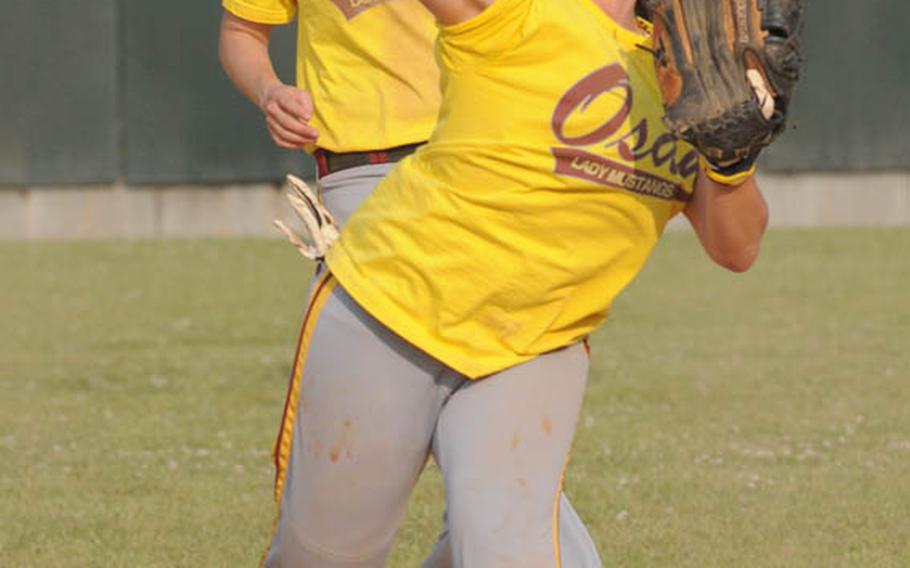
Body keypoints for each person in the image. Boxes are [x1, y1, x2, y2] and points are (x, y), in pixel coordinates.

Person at [218, 1, 601, 565]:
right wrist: (270, 92)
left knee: (502, 505)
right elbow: (241, 32)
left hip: (492, 175)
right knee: (332, 536)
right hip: (366, 191)